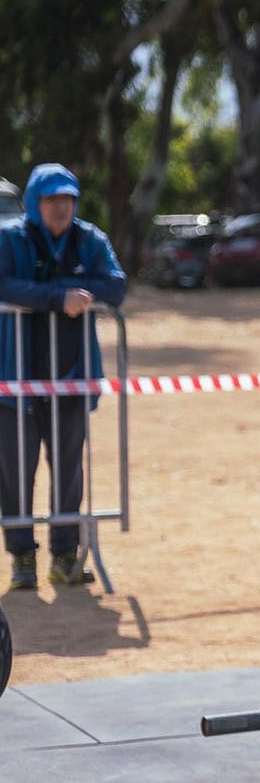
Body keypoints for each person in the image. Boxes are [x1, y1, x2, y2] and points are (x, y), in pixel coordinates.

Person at [0, 164, 126, 589]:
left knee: (70, 471)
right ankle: (21, 560)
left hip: (71, 378)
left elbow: (116, 285)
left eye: (68, 199)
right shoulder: (9, 237)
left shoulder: (89, 239)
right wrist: (59, 297)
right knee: (15, 472)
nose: (61, 207)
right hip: (15, 380)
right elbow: (3, 285)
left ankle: (65, 556)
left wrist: (78, 288)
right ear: (35, 202)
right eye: (52, 199)